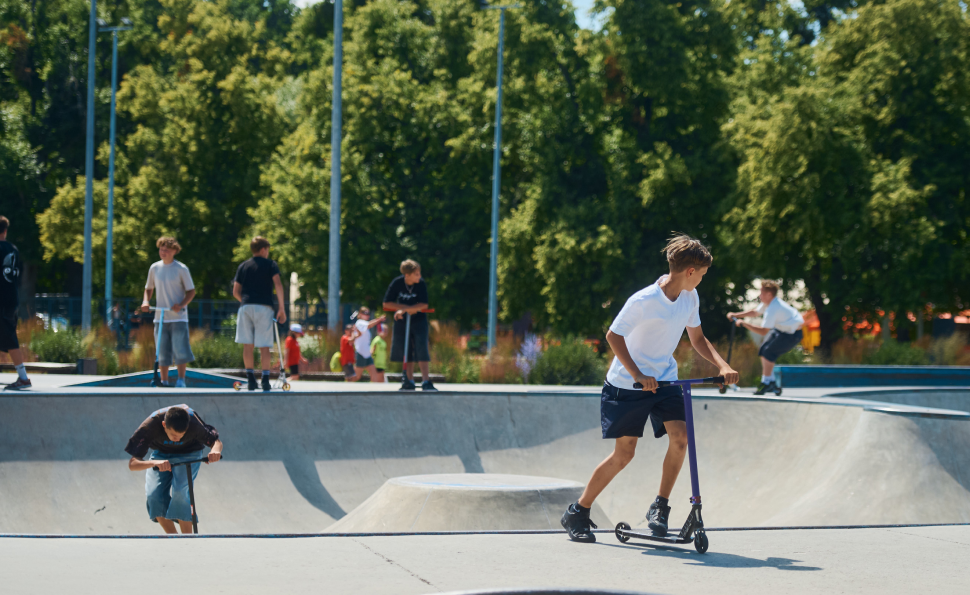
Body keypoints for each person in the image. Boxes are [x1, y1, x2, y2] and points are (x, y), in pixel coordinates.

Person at [560, 234, 739, 544]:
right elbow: (613, 337)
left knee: (680, 439)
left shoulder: (689, 298)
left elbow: (697, 339)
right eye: (703, 274)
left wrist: (721, 365)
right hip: (627, 385)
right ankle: (578, 510)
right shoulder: (643, 301)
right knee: (624, 454)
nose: (703, 280)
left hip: (665, 379)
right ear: (690, 271)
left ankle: (661, 506)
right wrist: (638, 374)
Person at [125, 404, 223, 534]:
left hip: (190, 453)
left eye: (181, 435)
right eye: (172, 435)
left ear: (187, 428)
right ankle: (173, 538)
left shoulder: (194, 424)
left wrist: (215, 451)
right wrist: (154, 462)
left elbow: (216, 442)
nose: (177, 439)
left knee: (180, 492)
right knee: (153, 495)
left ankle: (187, 540)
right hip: (161, 454)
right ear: (164, 425)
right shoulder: (150, 426)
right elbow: (132, 464)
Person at [727, 280, 804, 395]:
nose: (759, 295)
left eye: (761, 293)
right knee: (763, 350)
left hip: (792, 335)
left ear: (769, 294)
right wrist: (735, 314)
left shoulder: (773, 308)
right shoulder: (768, 303)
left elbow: (763, 332)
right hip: (782, 330)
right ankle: (771, 382)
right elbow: (755, 312)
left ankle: (767, 383)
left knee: (768, 352)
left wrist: (744, 323)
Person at [141, 237, 197, 388]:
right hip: (161, 317)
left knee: (180, 349)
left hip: (178, 317)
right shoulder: (154, 268)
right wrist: (146, 301)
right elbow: (148, 288)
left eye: (166, 250)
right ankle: (164, 381)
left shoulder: (181, 269)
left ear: (174, 251)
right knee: (162, 351)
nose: (163, 252)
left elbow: (191, 291)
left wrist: (181, 305)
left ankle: (181, 380)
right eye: (161, 249)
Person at [233, 236, 287, 391]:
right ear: (263, 249)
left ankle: (250, 379)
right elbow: (278, 284)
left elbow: (235, 291)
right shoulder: (271, 265)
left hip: (246, 307)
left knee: (247, 345)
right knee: (264, 346)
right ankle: (264, 380)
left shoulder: (243, 266)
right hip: (264, 307)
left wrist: (245, 300)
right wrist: (281, 308)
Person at [382, 259, 435, 391]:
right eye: (416, 274)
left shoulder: (420, 284)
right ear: (407, 275)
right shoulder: (397, 283)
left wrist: (404, 310)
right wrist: (406, 308)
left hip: (419, 320)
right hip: (402, 320)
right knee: (406, 349)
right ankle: (409, 380)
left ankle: (426, 381)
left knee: (421, 348)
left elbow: (424, 304)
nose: (420, 276)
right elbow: (387, 303)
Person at [0, 216, 30, 391]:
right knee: (8, 336)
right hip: (13, 300)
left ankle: (23, 377)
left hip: (2, 301)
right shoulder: (14, 249)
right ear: (5, 231)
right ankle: (22, 376)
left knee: (10, 339)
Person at [353, 307, 386, 382]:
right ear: (360, 314)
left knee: (374, 374)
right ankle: (346, 388)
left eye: (368, 313)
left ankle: (374, 393)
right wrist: (379, 319)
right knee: (357, 376)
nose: (367, 315)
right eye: (365, 313)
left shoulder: (365, 325)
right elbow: (369, 325)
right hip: (360, 352)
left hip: (367, 354)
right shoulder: (359, 323)